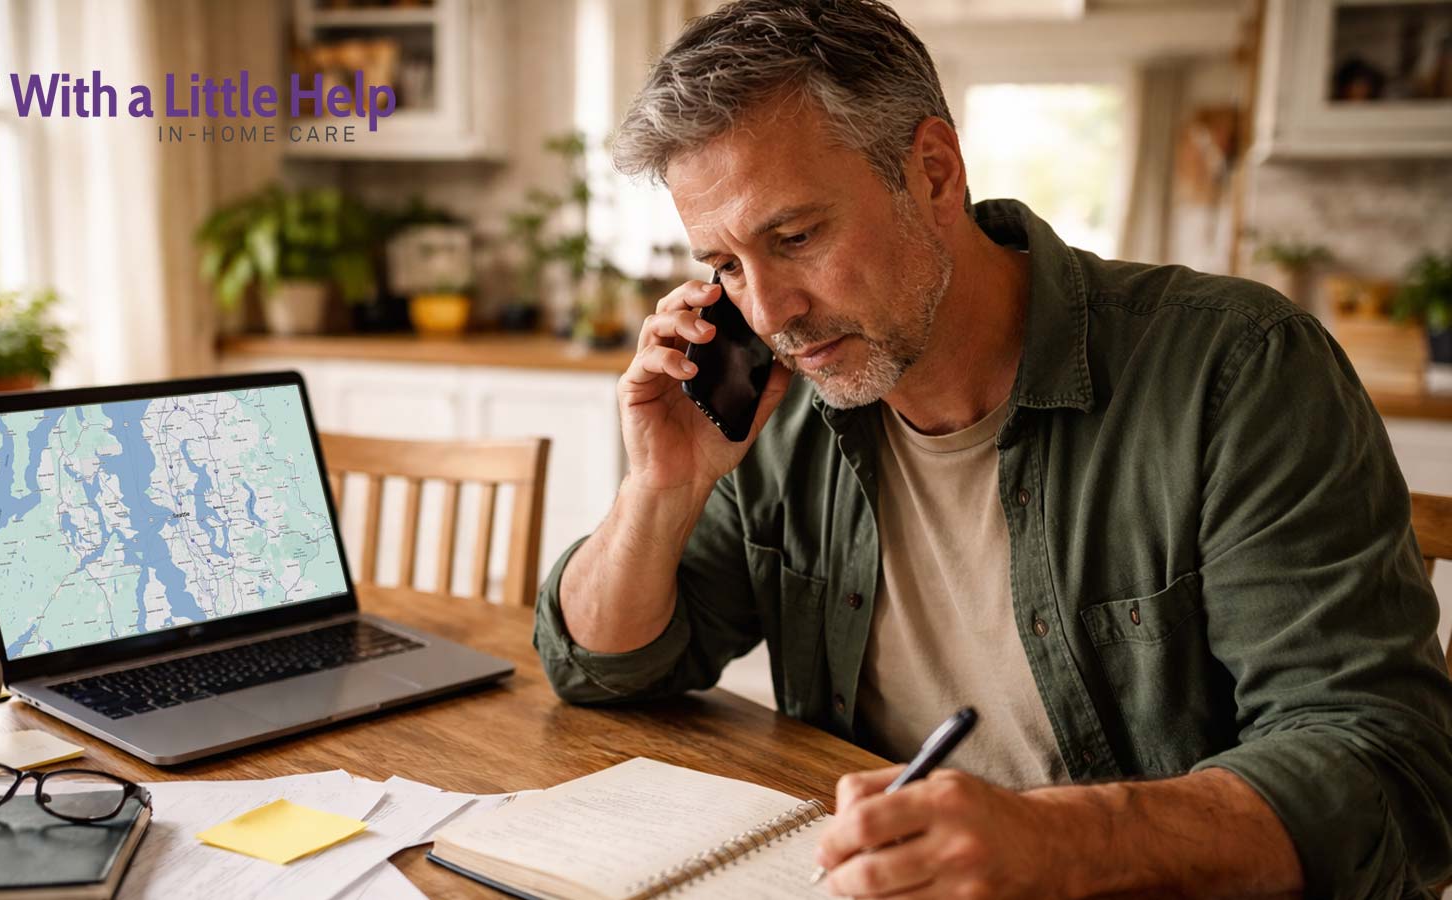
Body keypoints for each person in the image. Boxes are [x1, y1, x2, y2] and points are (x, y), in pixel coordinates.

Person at [532, 1, 1452, 896]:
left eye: (797, 236)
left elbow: (1389, 771)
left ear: (933, 171)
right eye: (726, 265)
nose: (769, 314)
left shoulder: (1237, 369)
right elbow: (607, 665)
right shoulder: (785, 409)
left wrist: (1061, 843)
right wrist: (662, 487)